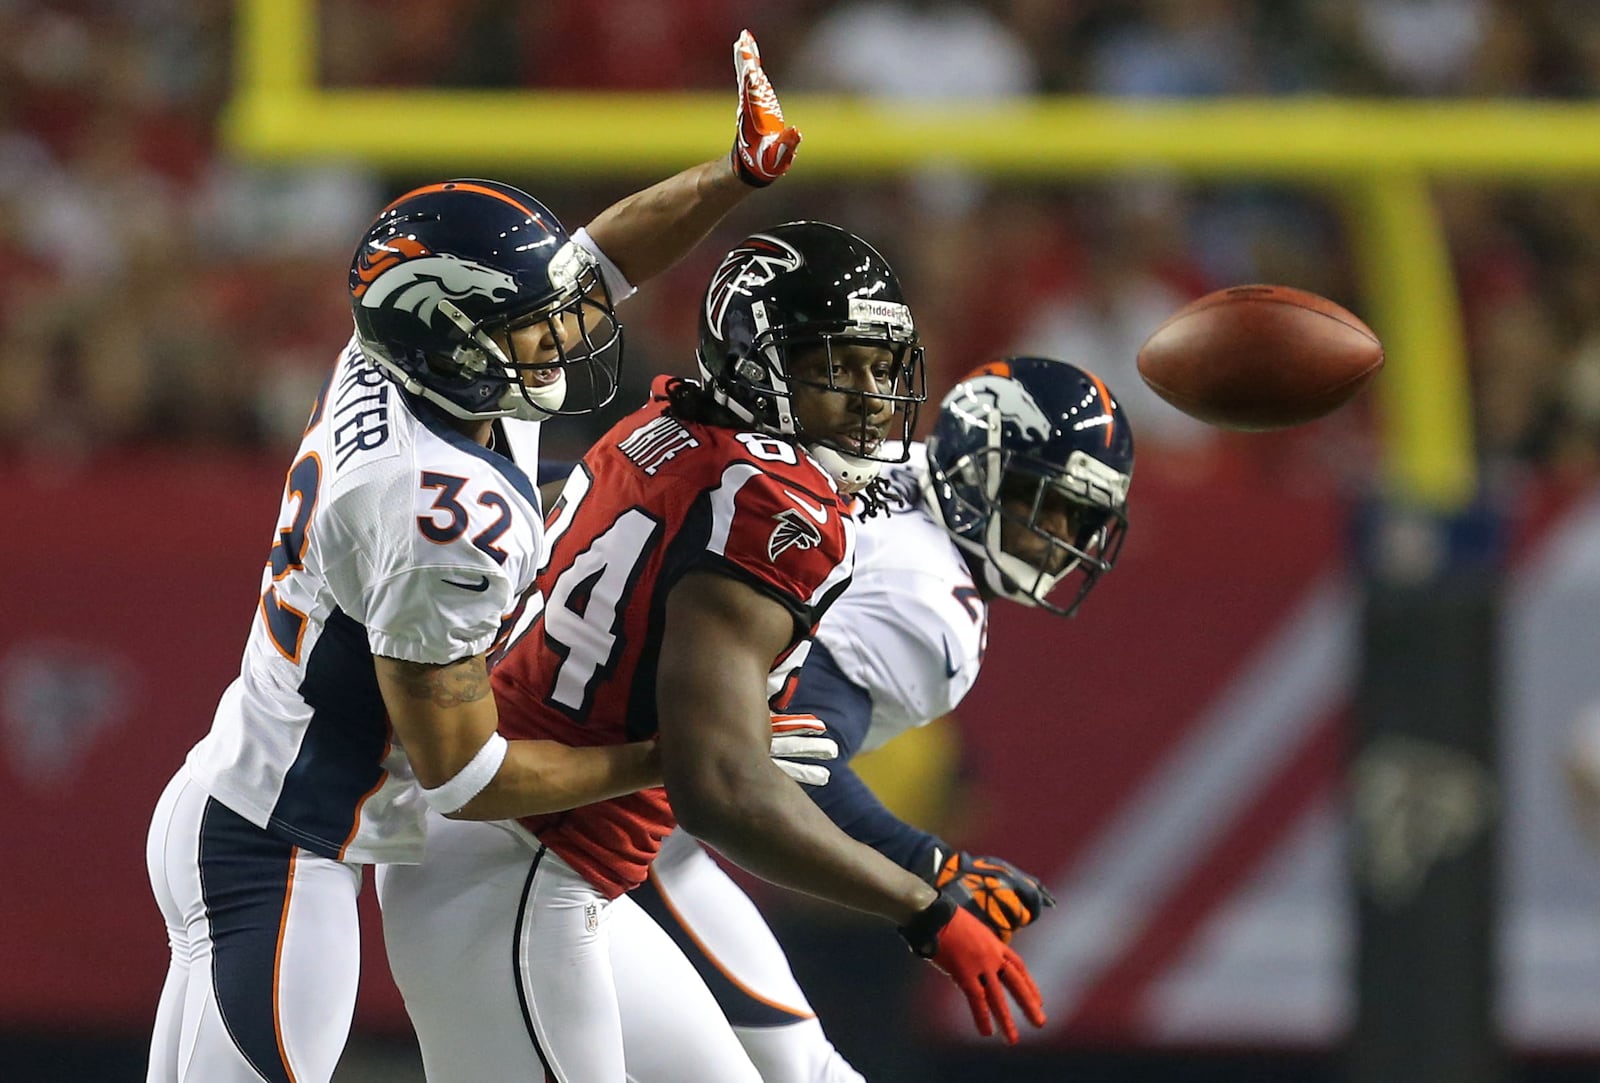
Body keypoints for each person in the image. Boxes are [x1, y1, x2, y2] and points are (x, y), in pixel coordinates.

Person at [143, 30, 804, 1083]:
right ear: (448, 334)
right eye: (532, 326)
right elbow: (467, 774)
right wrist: (673, 754)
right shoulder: (436, 510)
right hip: (280, 849)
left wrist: (734, 175)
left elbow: (600, 259)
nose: (567, 334)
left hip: (237, 793)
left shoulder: (409, 360)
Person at [375, 221, 1046, 1082]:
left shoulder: (664, 418)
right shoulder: (776, 512)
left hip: (548, 864)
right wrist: (922, 905)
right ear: (762, 361)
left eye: (884, 366)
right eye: (841, 366)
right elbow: (719, 786)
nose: (876, 398)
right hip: (517, 871)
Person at [632, 355, 1136, 1082]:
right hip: (605, 819)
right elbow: (776, 759)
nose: (1057, 533)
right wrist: (932, 867)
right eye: (1038, 499)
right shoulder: (930, 604)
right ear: (975, 471)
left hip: (619, 790)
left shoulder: (882, 460)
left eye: (1079, 514)